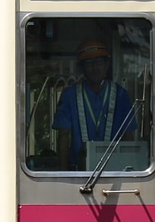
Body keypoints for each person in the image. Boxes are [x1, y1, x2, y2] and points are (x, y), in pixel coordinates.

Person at [53, 39, 137, 170]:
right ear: (81, 67)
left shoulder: (121, 95)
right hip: (78, 171)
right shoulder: (69, 95)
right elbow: (63, 136)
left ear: (107, 64)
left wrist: (132, 174)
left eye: (99, 62)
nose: (95, 67)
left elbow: (128, 136)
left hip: (114, 170)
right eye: (89, 63)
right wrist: (63, 174)